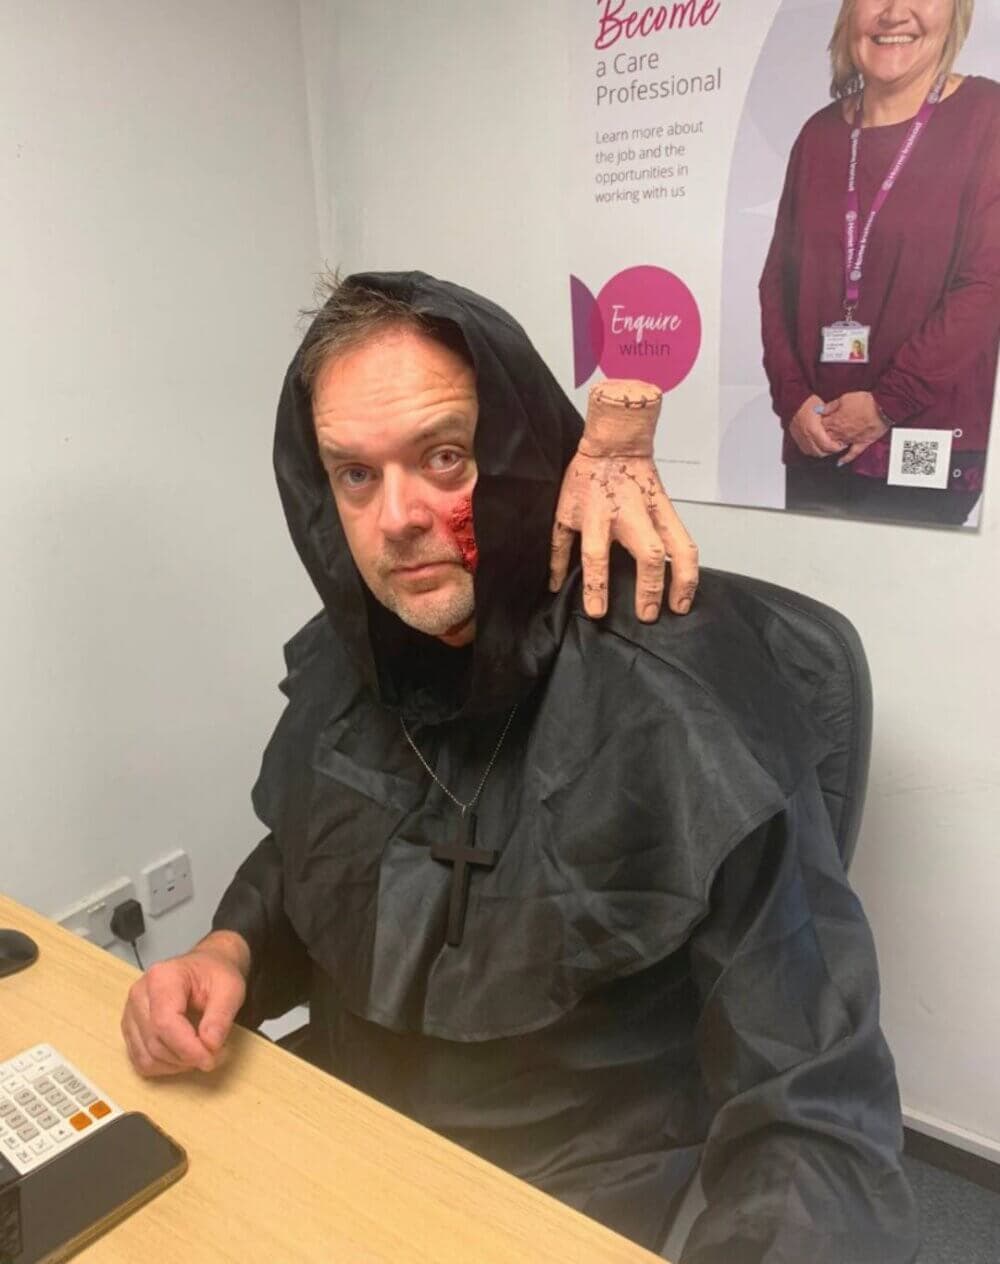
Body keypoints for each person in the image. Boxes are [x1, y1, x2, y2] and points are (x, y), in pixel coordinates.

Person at [121, 273, 918, 1261]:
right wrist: (226, 949)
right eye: (355, 476)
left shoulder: (684, 698)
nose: (397, 516)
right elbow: (316, 854)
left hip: (569, 1195)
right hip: (337, 1153)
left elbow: (814, 1112)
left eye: (443, 458)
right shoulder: (356, 653)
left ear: (520, 454)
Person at [760, 0, 1000, 526]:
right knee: (809, 601)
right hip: (816, 437)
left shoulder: (988, 116)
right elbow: (777, 282)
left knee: (900, 603)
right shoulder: (818, 136)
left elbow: (986, 285)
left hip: (928, 439)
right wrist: (794, 400)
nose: (895, 12)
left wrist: (887, 403)